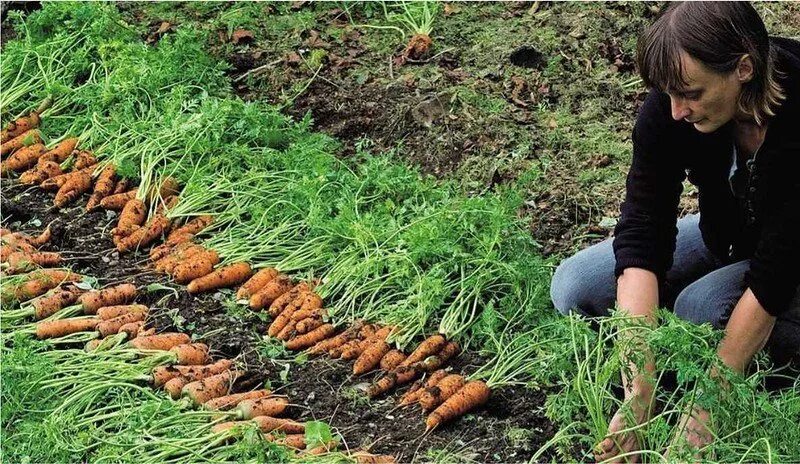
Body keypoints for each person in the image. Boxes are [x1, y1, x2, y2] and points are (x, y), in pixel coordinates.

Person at [549, 2, 800, 462]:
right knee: (575, 285)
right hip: (729, 235)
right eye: (667, 94)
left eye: (690, 94)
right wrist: (638, 395)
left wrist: (708, 408)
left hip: (793, 258)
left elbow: (776, 274)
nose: (676, 110)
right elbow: (643, 230)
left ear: (744, 67)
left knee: (699, 309)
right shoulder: (671, 107)